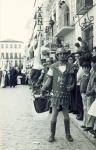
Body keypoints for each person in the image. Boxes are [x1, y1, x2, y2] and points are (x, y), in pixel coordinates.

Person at [41, 47, 74, 142]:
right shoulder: (52, 67)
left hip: (65, 95)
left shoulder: (70, 66)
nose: (62, 55)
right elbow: (49, 80)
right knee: (54, 114)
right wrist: (43, 88)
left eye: (64, 54)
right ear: (57, 55)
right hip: (55, 95)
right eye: (60, 54)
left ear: (66, 55)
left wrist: (71, 86)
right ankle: (52, 134)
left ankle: (68, 134)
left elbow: (72, 80)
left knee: (66, 115)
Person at [80, 62, 91, 128]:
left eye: (86, 68)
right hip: (82, 93)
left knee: (87, 108)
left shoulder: (89, 76)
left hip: (87, 94)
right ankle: (84, 123)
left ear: (89, 68)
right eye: (83, 68)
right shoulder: (83, 75)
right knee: (84, 108)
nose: (84, 69)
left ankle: (87, 124)